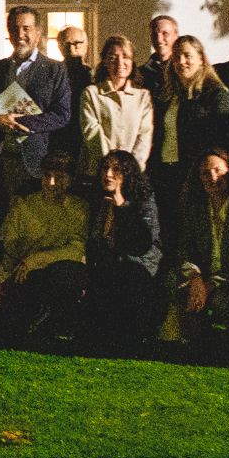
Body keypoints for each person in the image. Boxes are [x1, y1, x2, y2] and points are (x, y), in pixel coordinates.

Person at [0, 6, 76, 219]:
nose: (20, 35)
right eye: (15, 29)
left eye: (26, 28)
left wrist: (25, 123)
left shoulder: (54, 69)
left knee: (34, 227)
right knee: (2, 227)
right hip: (1, 164)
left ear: (38, 32)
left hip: (37, 164)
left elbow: (62, 113)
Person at [0, 153, 89, 346]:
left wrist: (37, 259)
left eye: (59, 178)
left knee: (65, 275)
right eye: (46, 176)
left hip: (55, 274)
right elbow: (8, 249)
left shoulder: (79, 209)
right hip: (22, 276)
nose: (51, 183)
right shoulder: (24, 206)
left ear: (70, 180)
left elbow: (77, 249)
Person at [149, 35, 229, 254]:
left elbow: (223, 137)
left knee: (192, 233)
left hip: (196, 174)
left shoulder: (214, 93)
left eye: (187, 55)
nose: (181, 61)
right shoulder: (168, 94)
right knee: (168, 231)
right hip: (166, 172)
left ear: (201, 59)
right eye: (176, 56)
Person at [165, 148, 229, 345]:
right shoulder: (196, 209)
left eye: (218, 171)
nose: (212, 177)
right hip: (203, 277)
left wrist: (209, 284)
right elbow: (184, 248)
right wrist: (196, 277)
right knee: (176, 282)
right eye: (205, 173)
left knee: (221, 301)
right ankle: (193, 338)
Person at [80, 149, 164, 351]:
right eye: (105, 168)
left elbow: (142, 244)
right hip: (107, 263)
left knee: (126, 278)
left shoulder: (143, 199)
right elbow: (94, 241)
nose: (108, 174)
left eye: (116, 169)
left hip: (138, 263)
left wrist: (121, 207)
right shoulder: (97, 199)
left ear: (127, 173)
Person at [76, 34, 154, 172]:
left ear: (132, 61)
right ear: (105, 61)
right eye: (113, 58)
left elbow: (144, 136)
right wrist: (111, 168)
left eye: (126, 57)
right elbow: (92, 133)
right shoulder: (91, 94)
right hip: (99, 171)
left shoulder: (143, 97)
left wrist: (130, 169)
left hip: (131, 173)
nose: (120, 63)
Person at [134, 14, 180, 96]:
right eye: (155, 34)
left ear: (176, 36)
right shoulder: (141, 74)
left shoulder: (184, 69)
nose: (159, 40)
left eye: (165, 33)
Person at [55, 25, 95, 108]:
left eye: (77, 43)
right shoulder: (54, 74)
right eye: (67, 44)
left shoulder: (94, 74)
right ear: (60, 47)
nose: (71, 48)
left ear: (86, 45)